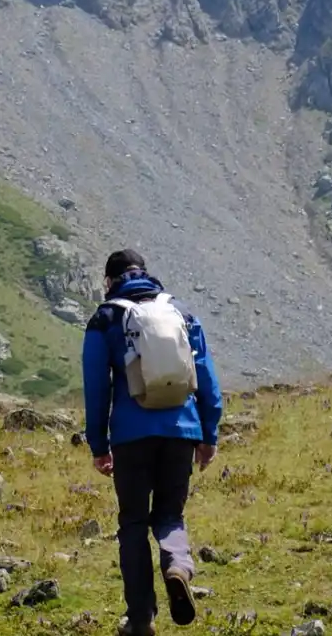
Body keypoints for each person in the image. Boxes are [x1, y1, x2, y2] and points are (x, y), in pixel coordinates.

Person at [83, 249, 223, 636]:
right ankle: (177, 564)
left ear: (109, 281)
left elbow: (96, 386)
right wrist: (208, 434)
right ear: (145, 272)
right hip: (182, 429)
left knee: (132, 522)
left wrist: (98, 444)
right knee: (170, 516)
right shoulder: (180, 311)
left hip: (130, 436)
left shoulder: (106, 317)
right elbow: (206, 376)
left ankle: (141, 619)